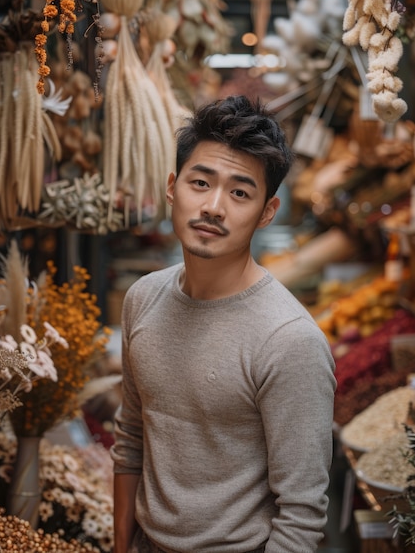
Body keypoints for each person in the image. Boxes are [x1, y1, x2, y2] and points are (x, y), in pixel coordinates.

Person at [111, 95, 336, 553]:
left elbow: (301, 515)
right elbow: (131, 438)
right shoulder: (142, 299)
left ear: (266, 212)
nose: (214, 207)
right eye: (201, 182)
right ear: (173, 187)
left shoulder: (290, 340)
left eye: (239, 192)